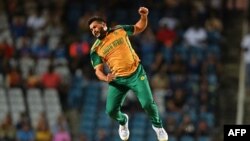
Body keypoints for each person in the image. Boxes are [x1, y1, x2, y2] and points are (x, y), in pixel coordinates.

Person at [88, 7, 168, 141]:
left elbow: (138, 27)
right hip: (117, 79)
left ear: (103, 24)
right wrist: (105, 78)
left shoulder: (119, 30)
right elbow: (98, 71)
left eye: (95, 26)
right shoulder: (95, 49)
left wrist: (144, 16)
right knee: (111, 111)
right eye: (91, 29)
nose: (94, 30)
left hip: (136, 73)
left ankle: (158, 127)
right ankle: (123, 121)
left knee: (148, 103)